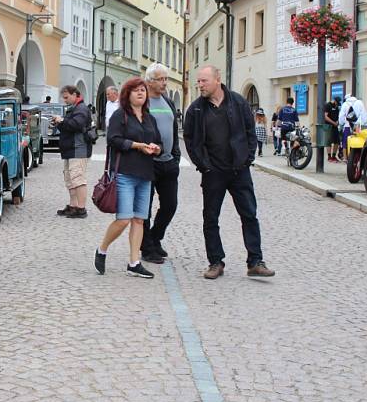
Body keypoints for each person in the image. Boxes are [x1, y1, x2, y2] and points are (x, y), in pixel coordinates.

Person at [183, 65, 275, 280]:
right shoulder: (196, 109)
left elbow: (250, 132)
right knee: (210, 218)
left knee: (249, 215)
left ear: (217, 80)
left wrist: (248, 157)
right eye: (199, 81)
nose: (200, 85)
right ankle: (216, 262)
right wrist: (203, 164)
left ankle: (255, 261)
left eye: (204, 81)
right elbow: (190, 140)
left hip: (239, 170)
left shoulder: (238, 102)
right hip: (213, 172)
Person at [94, 77, 162, 279]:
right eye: (136, 90)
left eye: (143, 90)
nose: (141, 93)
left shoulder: (149, 117)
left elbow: (158, 141)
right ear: (127, 94)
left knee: (139, 220)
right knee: (123, 219)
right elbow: (113, 140)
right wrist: (137, 145)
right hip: (124, 173)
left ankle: (134, 262)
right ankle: (102, 248)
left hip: (146, 174)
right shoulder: (120, 115)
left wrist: (157, 149)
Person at [140, 64, 180, 264]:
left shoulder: (168, 102)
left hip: (168, 162)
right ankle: (147, 248)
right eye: (160, 79)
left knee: (170, 205)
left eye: (166, 78)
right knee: (144, 208)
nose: (165, 82)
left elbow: (174, 129)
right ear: (149, 81)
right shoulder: (142, 102)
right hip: (148, 163)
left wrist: (176, 156)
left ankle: (155, 237)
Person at [52, 85, 93, 218]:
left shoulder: (81, 108)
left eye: (67, 97)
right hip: (70, 149)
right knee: (69, 178)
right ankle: (73, 206)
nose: (65, 100)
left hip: (78, 148)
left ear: (75, 94)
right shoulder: (74, 108)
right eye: (64, 98)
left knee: (78, 178)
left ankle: (81, 209)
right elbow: (68, 127)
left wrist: (62, 120)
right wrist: (59, 123)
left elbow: (76, 124)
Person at [339, 95, 365, 160]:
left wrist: (342, 123)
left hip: (347, 126)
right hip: (358, 126)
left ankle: (345, 158)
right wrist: (362, 123)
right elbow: (364, 114)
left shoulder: (345, 104)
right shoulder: (360, 102)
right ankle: (357, 158)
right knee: (358, 141)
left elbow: (341, 116)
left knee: (345, 142)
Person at [324, 97, 341, 163]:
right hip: (328, 126)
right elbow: (325, 116)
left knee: (337, 141)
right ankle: (329, 157)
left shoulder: (337, 107)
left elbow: (338, 116)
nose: (337, 105)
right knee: (329, 141)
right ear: (334, 101)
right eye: (337, 103)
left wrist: (337, 122)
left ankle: (334, 156)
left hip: (335, 126)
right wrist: (333, 123)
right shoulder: (328, 105)